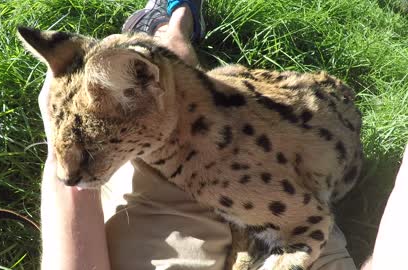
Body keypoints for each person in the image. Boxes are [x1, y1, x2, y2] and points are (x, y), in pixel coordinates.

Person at [39, 0, 407, 269]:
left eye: (88, 155)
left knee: (175, 79)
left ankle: (173, 27)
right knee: (183, 75)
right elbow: (314, 226)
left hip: (229, 181)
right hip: (247, 167)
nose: (68, 175)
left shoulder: (221, 169)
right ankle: (174, 25)